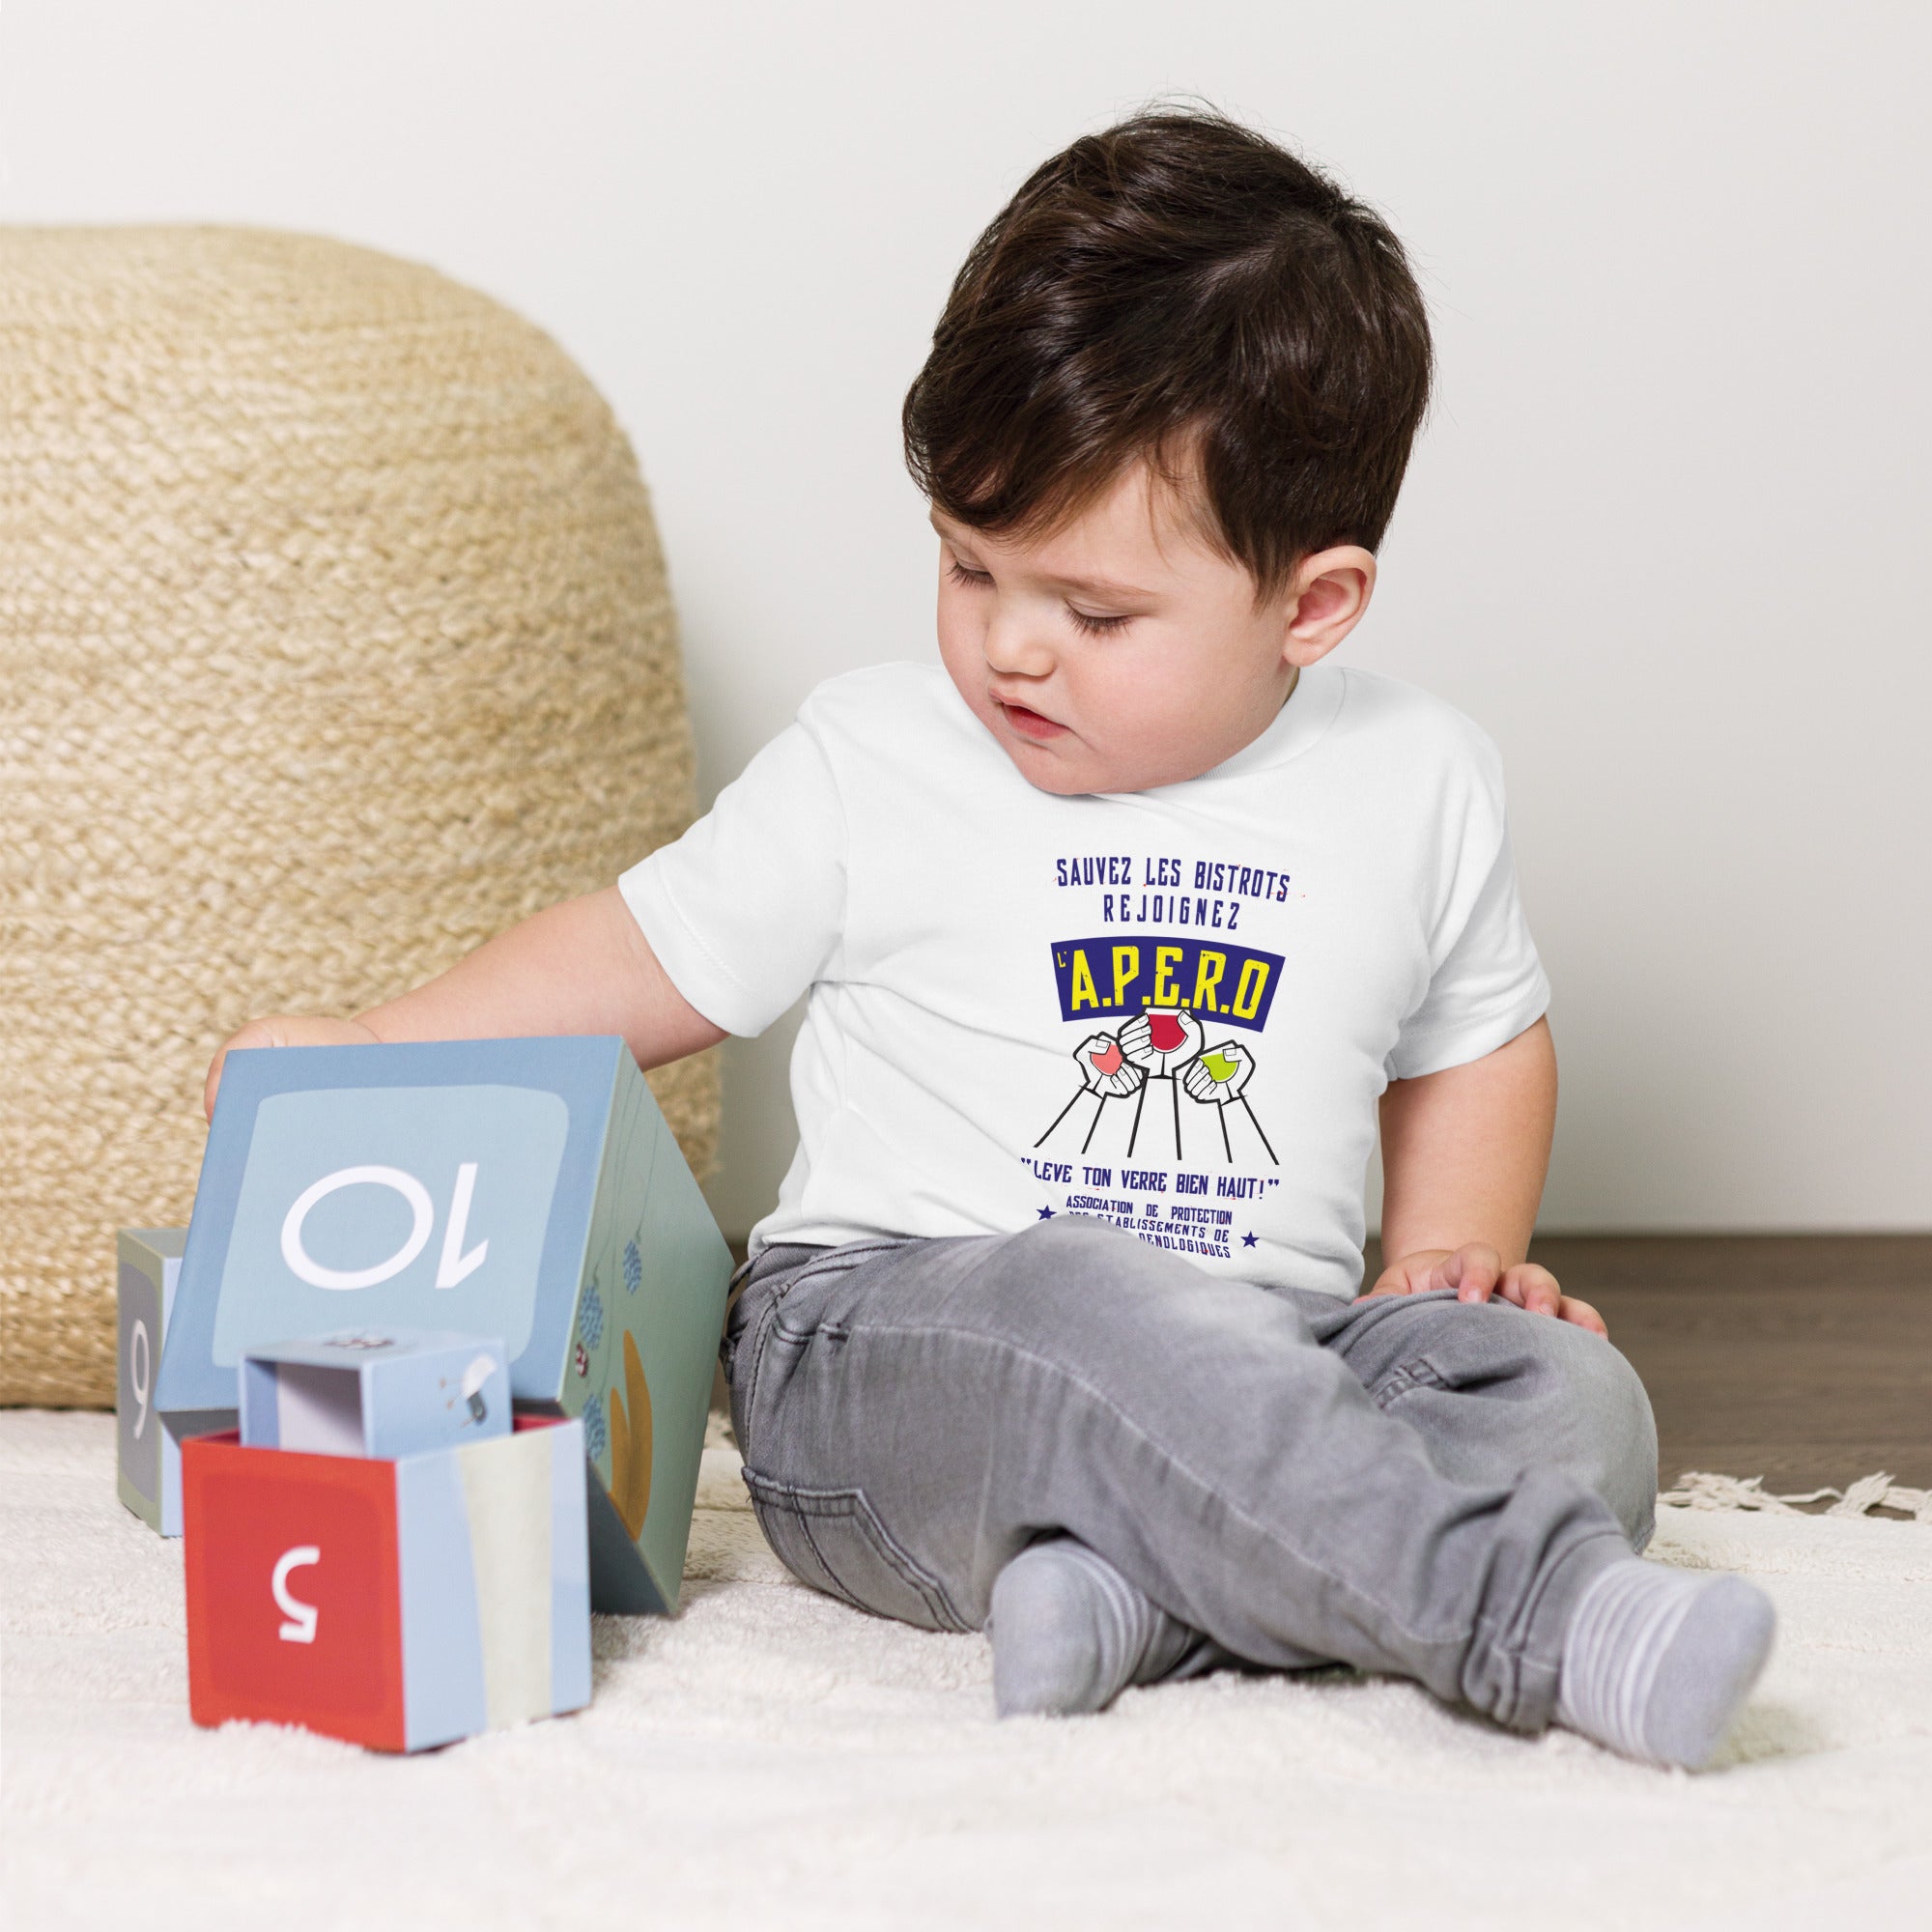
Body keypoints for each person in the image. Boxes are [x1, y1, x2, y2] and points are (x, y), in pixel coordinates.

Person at [208, 109, 1774, 1768]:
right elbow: (639, 956)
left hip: (1281, 1343)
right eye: (968, 566)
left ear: (1311, 605)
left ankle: (1141, 1606)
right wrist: (375, 1053)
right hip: (894, 1348)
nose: (1011, 648)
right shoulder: (871, 760)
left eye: (1094, 614)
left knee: (1571, 1401)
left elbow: (1477, 1034)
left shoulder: (1417, 776)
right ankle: (1519, 1617)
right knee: (1084, 1302)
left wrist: (1442, 1259)